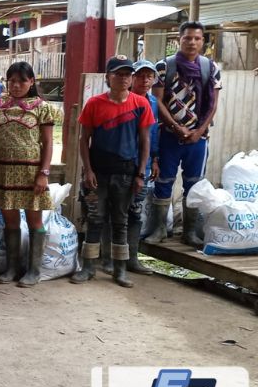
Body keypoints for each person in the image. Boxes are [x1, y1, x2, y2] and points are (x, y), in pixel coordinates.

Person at [70, 55, 152, 288]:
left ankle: (120, 270)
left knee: (121, 221)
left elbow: (145, 140)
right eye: (118, 73)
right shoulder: (94, 103)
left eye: (127, 74)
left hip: (126, 172)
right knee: (94, 218)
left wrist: (140, 174)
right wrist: (87, 170)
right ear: (108, 77)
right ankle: (88, 267)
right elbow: (84, 138)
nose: (124, 78)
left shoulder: (140, 104)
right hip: (98, 172)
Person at [146, 21, 222, 248]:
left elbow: (213, 105)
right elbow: (157, 100)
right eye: (187, 38)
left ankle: (189, 232)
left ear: (203, 41)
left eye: (197, 38)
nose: (192, 42)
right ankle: (159, 230)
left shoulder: (211, 68)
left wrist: (198, 131)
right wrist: (177, 127)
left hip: (198, 140)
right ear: (178, 39)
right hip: (169, 136)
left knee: (194, 184)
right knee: (164, 181)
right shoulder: (164, 66)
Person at [0, 62, 55, 287]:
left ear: (31, 82)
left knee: (34, 219)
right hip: (2, 172)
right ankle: (12, 268)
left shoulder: (42, 107)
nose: (16, 85)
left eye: (22, 80)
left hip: (31, 173)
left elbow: (48, 142)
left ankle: (33, 270)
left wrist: (44, 173)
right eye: (11, 80)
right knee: (10, 220)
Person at [100, 60, 160, 276]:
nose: (144, 80)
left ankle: (131, 258)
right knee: (110, 213)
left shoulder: (152, 102)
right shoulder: (121, 102)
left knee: (134, 214)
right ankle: (108, 259)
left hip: (141, 168)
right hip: (121, 165)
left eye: (149, 76)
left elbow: (152, 136)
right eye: (140, 76)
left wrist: (154, 159)